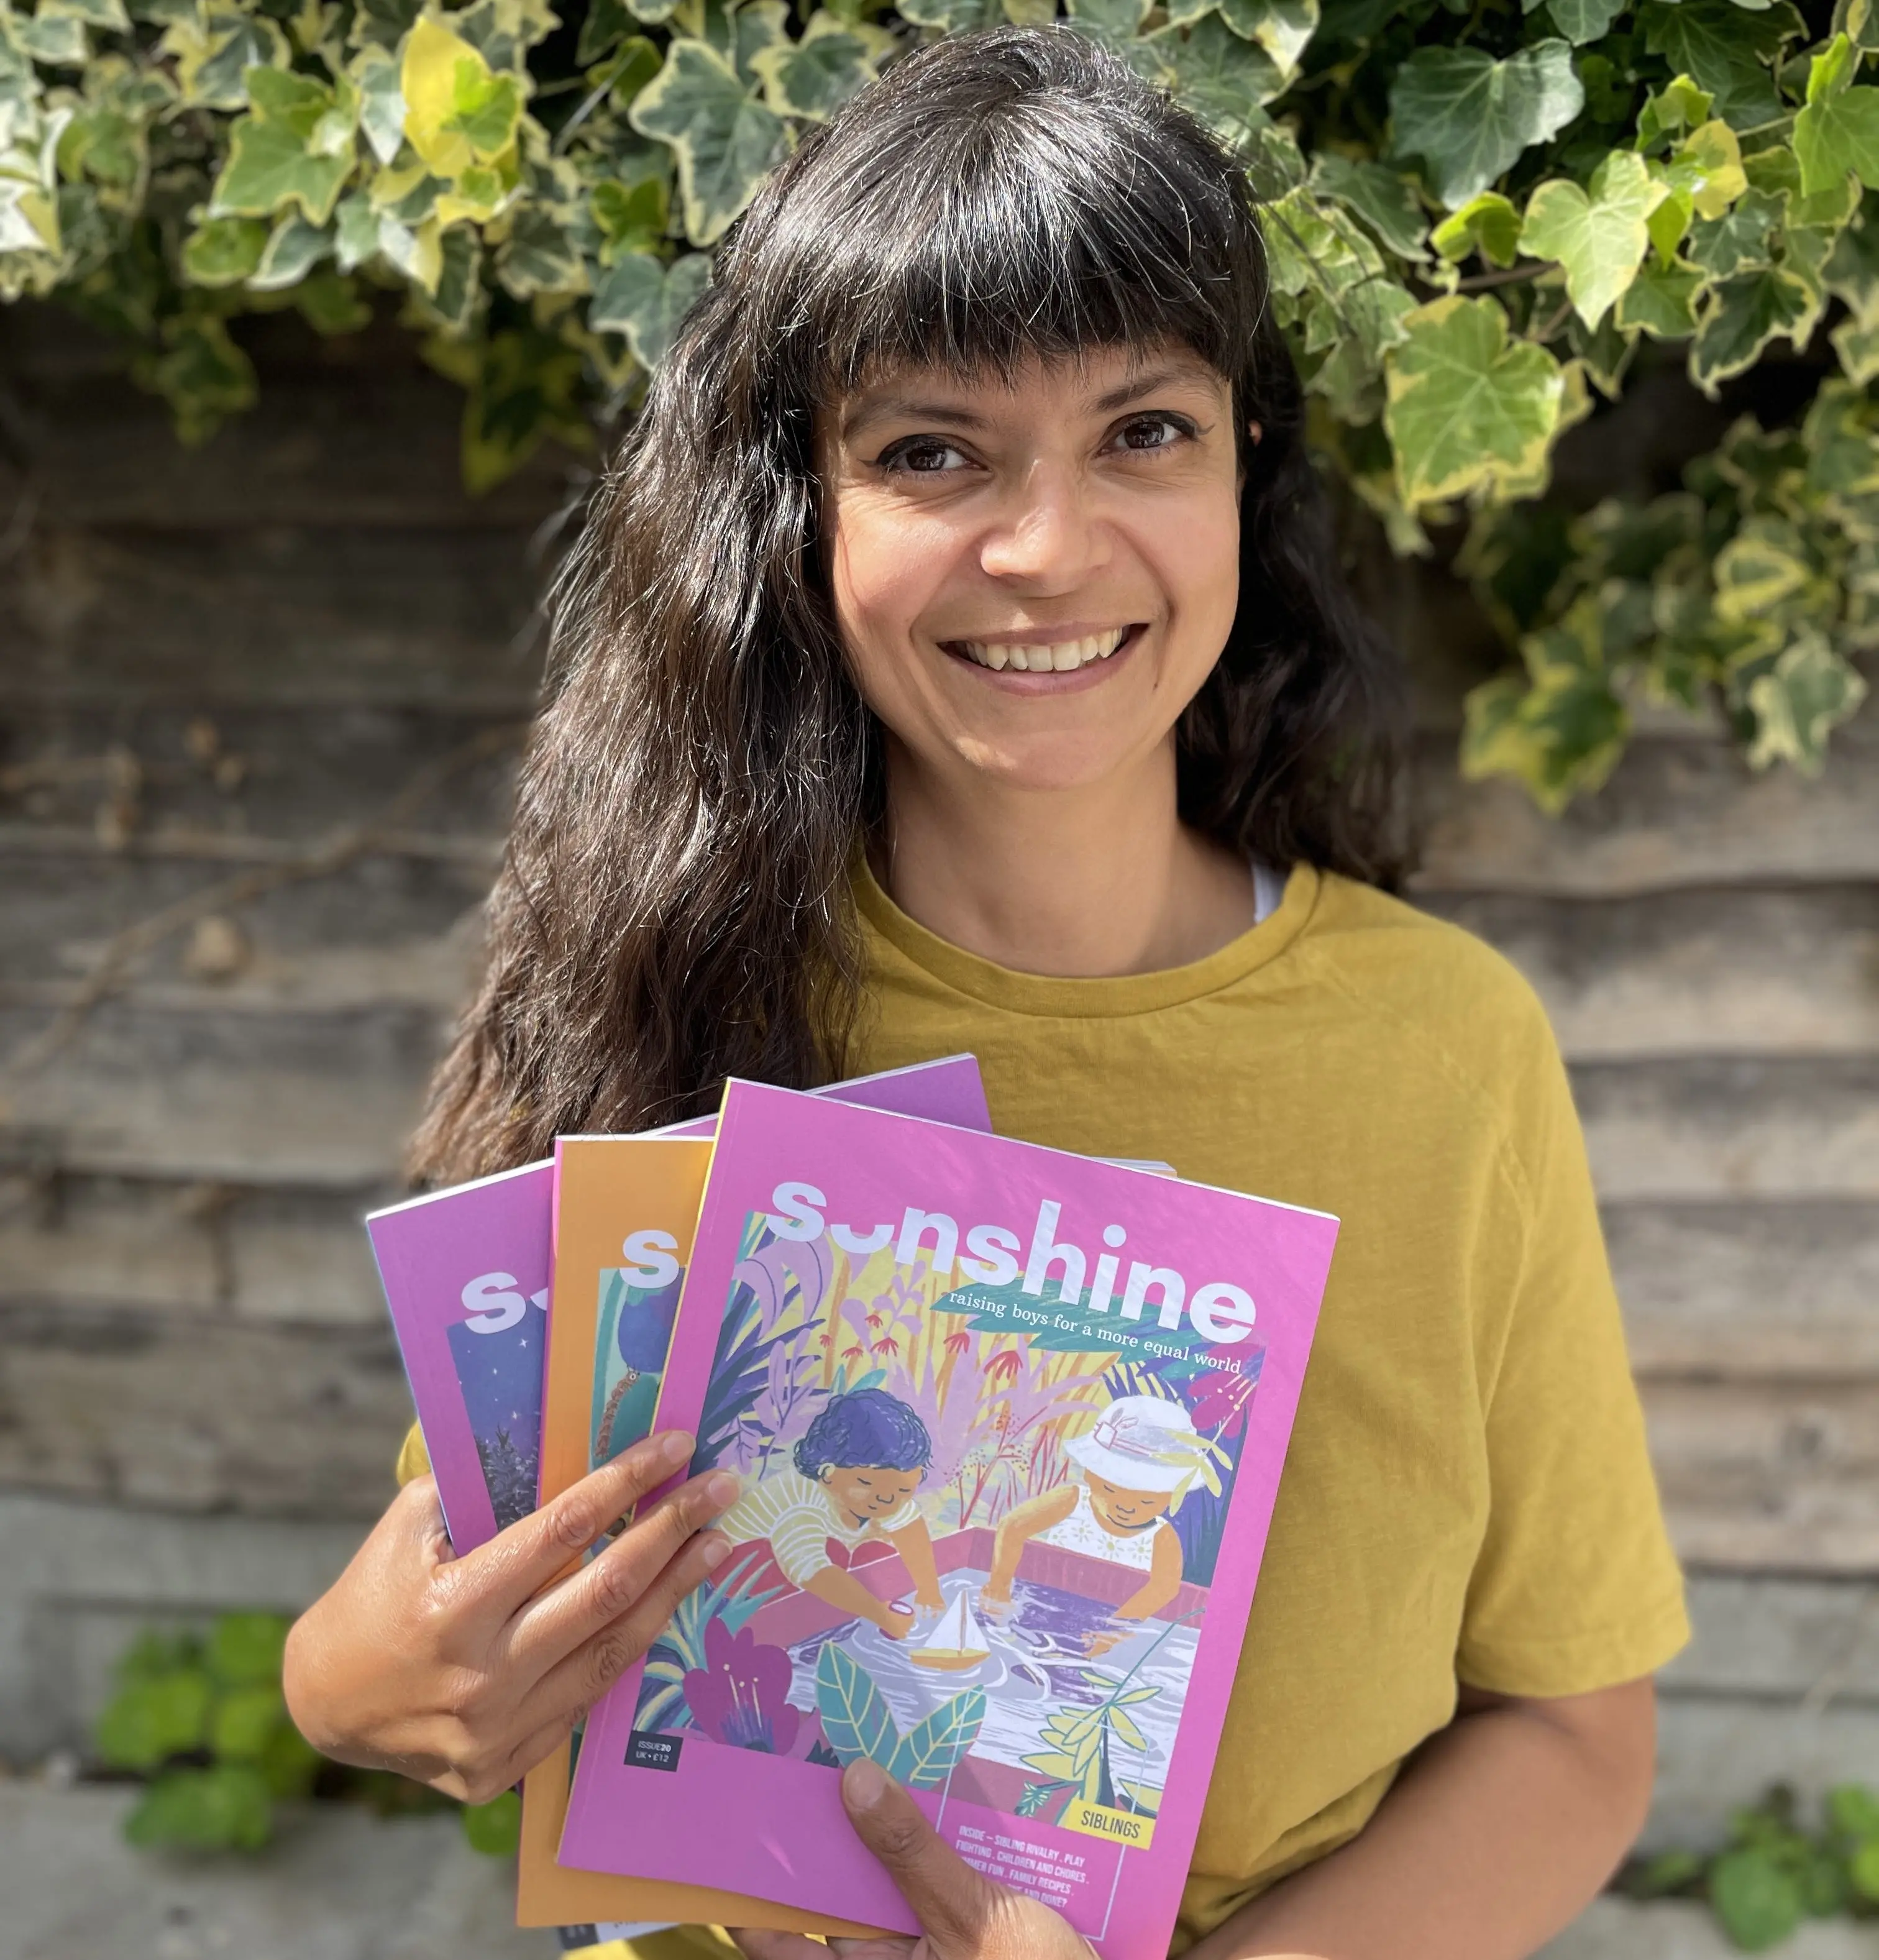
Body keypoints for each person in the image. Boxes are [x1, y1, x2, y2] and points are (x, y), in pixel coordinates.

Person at [282, 25, 1689, 1960]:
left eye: (1143, 431)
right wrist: (345, 1687)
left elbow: (1578, 1728)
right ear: (806, 512)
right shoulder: (663, 983)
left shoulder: (1449, 1046)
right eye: (933, 450)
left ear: (1243, 465)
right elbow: (447, 1615)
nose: (1045, 548)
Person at [716, 1388, 946, 1637]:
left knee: (877, 1555)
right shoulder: (804, 1503)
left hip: (799, 1568)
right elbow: (811, 1569)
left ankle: (846, 1618)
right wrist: (880, 1615)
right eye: (867, 1484)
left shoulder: (880, 1495)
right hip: (739, 1581)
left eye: (904, 1489)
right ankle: (809, 1634)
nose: (887, 1498)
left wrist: (929, 1591)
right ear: (828, 1473)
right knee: (835, 1555)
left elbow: (909, 1528)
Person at [984, 1395, 1207, 1624]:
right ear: (1090, 1474)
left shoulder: (1162, 1537)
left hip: (1106, 1620)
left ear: (1172, 1497)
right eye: (1110, 1490)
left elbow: (1165, 1587)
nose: (1126, 1506)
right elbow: (1013, 1527)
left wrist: (1113, 1629)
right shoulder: (1070, 1501)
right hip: (1038, 1606)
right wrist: (998, 1589)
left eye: (1146, 1502)